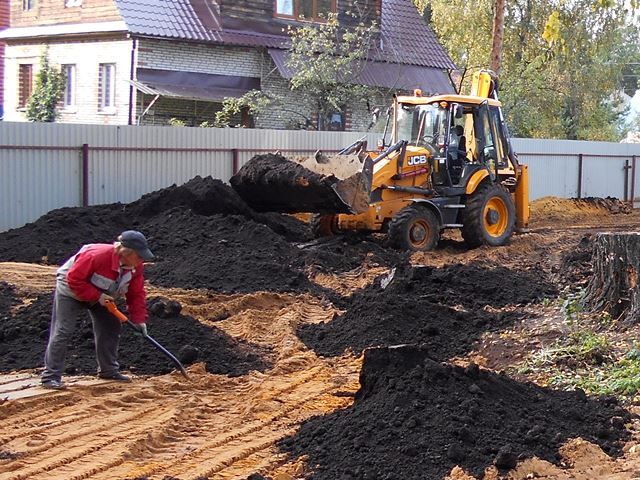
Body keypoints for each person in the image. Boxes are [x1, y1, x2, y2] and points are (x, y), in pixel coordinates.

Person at [41, 231, 154, 390]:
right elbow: (74, 279)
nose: (142, 260)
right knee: (63, 330)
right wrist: (97, 296)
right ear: (126, 252)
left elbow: (136, 294)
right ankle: (50, 377)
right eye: (139, 256)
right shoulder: (97, 255)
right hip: (71, 290)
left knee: (111, 326)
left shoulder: (136, 268)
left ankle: (108, 370)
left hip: (103, 295)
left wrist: (139, 320)